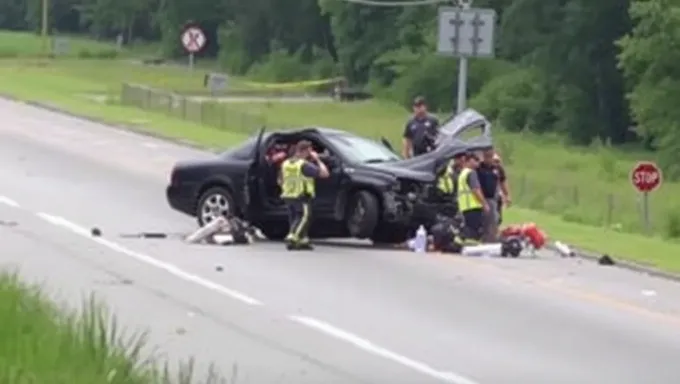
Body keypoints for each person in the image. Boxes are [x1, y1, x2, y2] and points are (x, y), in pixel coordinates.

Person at [278, 140, 329, 250]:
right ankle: (293, 237)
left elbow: (280, 180)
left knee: (294, 217)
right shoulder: (304, 165)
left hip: (288, 195)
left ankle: (303, 240)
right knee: (304, 217)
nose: (311, 154)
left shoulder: (286, 163)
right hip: (302, 195)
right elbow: (324, 174)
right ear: (305, 151)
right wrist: (318, 159)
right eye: (310, 151)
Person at [456, 152, 488, 243]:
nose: (477, 163)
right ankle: (472, 246)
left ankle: (463, 242)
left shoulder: (462, 173)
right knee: (474, 230)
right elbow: (475, 190)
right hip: (473, 206)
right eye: (475, 160)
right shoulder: (471, 173)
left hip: (464, 206)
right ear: (469, 161)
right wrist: (484, 203)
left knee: (467, 228)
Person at [493, 153, 511, 224]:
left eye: (497, 162)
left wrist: (507, 195)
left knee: (498, 219)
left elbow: (503, 182)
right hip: (488, 196)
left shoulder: (499, 169)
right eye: (495, 161)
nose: (496, 163)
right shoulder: (484, 168)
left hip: (497, 195)